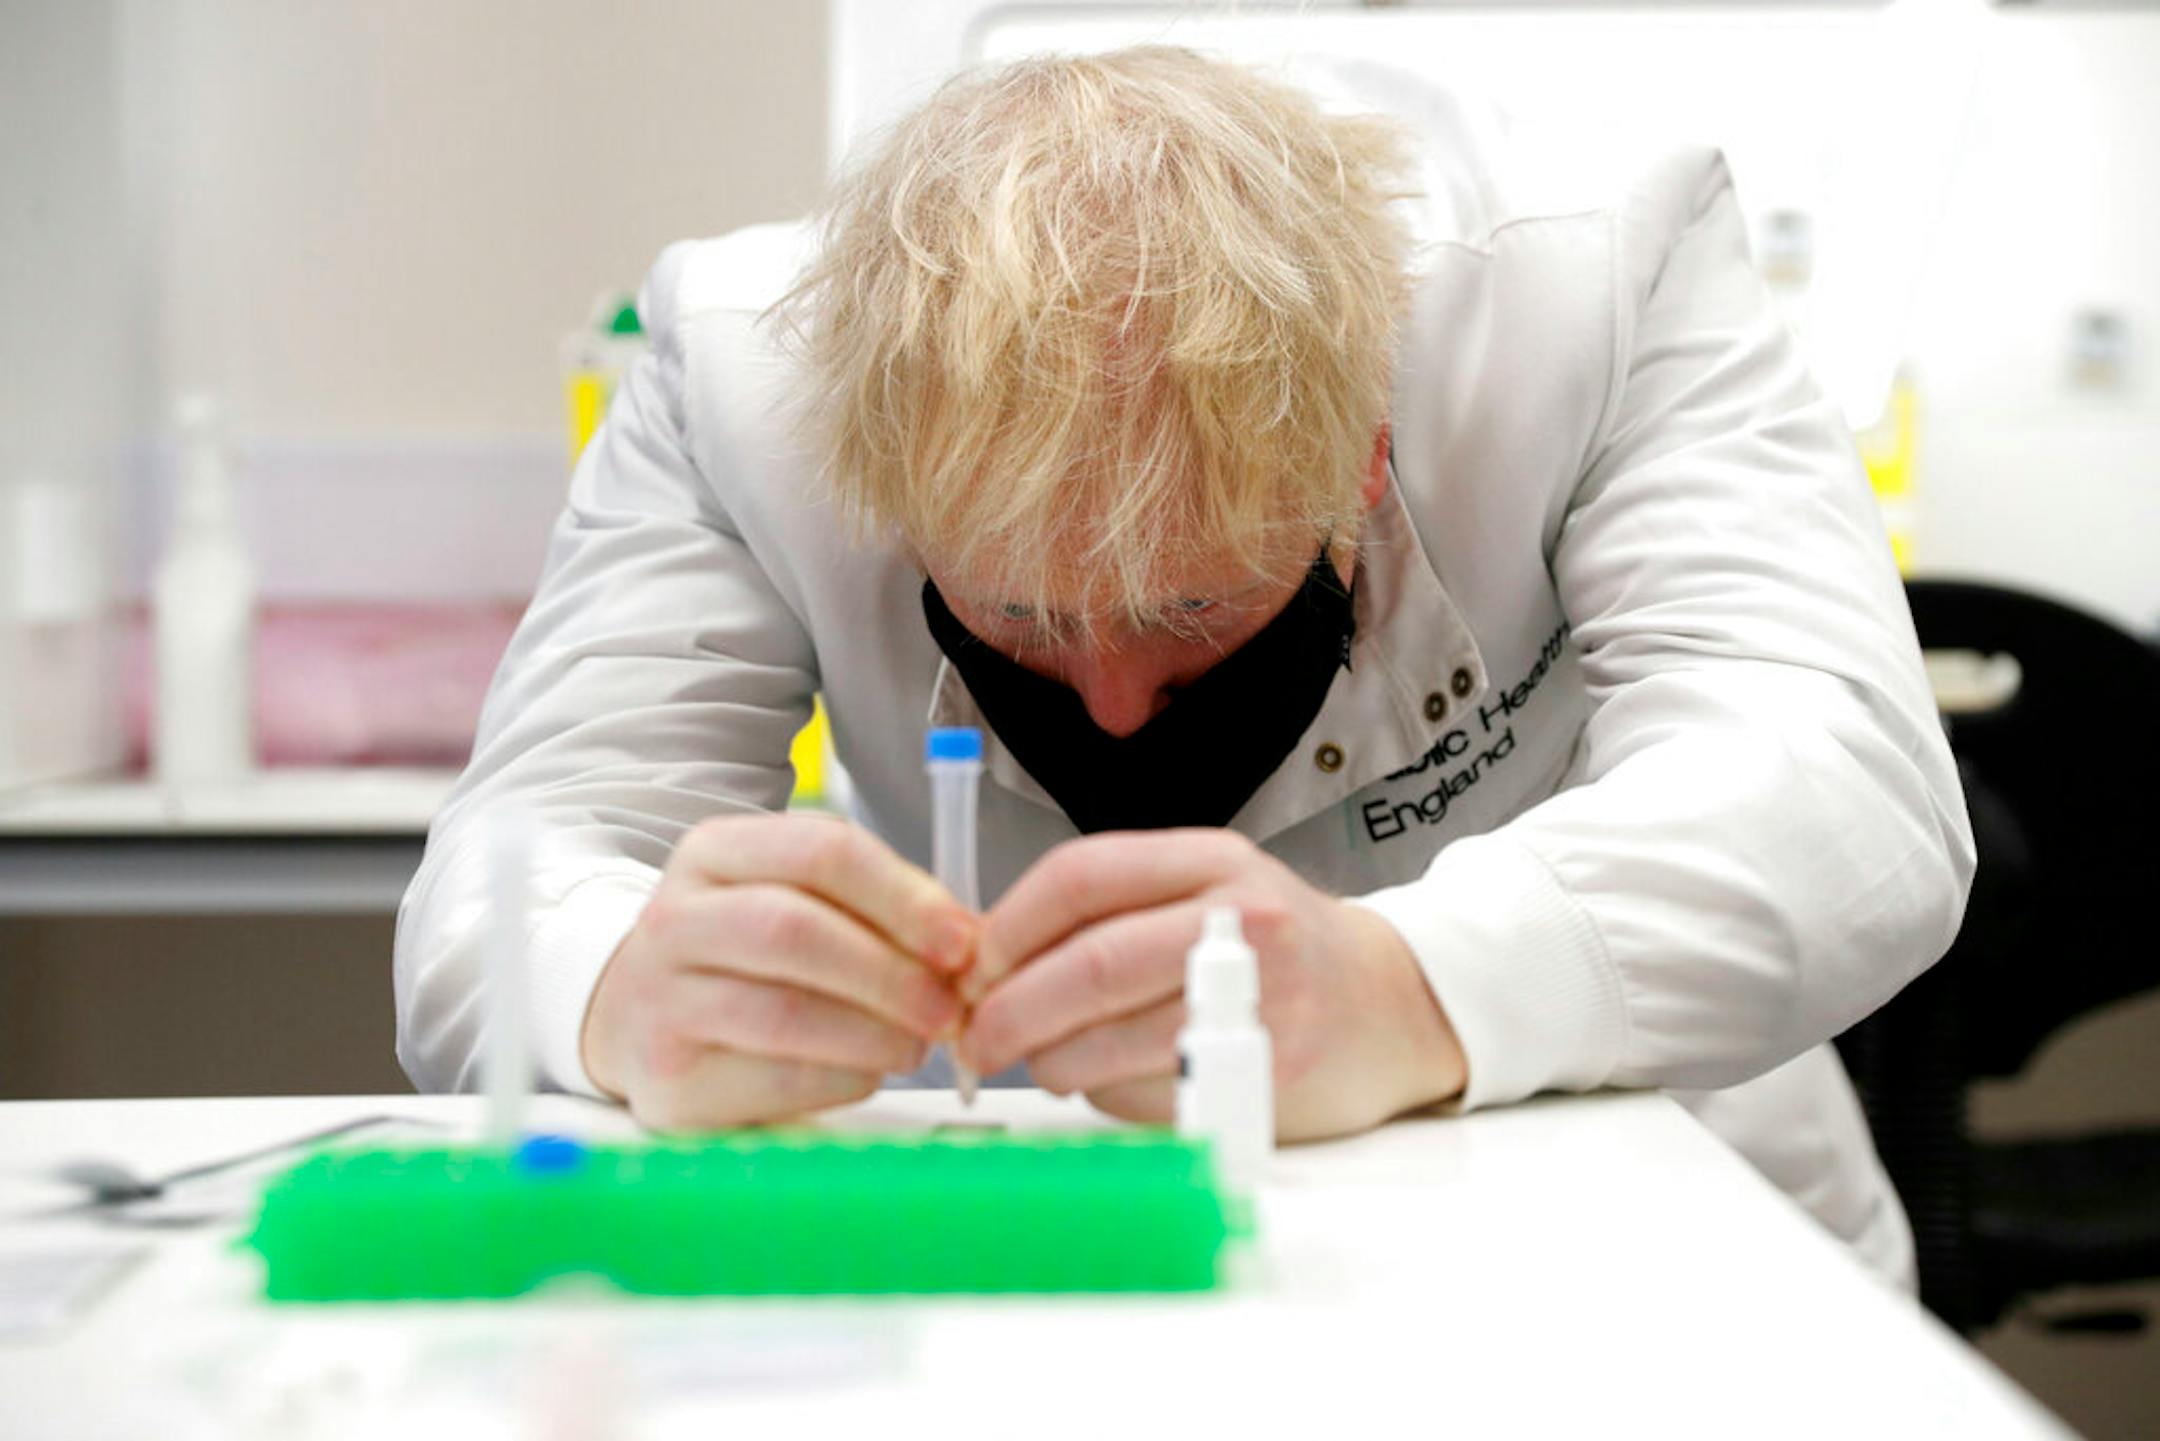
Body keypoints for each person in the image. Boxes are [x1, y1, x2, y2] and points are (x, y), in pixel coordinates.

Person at [395, 47, 1973, 1283]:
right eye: (1016, 617)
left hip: (1649, 1251)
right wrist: (614, 983)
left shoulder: (1588, 285)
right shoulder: (748, 372)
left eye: (1195, 605)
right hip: (1046, 1241)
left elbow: (1849, 788)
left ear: (1364, 449)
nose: (1113, 709)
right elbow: (510, 870)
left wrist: (1411, 989)